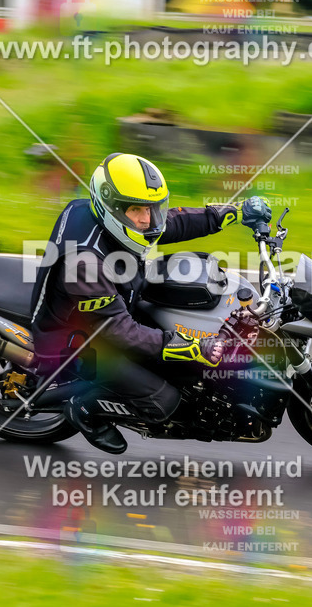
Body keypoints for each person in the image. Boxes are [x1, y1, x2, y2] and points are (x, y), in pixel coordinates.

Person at [29, 152, 240, 454]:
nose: (148, 219)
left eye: (153, 208)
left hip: (112, 305)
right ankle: (85, 409)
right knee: (164, 400)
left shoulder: (102, 215)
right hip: (76, 339)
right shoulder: (84, 265)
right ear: (112, 207)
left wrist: (228, 215)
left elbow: (171, 224)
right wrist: (186, 345)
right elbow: (118, 331)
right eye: (138, 210)